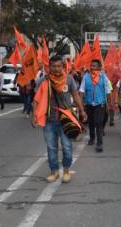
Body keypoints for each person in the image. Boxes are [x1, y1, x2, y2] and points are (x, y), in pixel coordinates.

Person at [33, 55, 87, 183]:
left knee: (67, 147)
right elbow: (36, 99)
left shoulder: (69, 79)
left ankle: (67, 170)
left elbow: (75, 95)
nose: (56, 69)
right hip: (49, 121)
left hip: (65, 120)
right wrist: (34, 115)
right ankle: (54, 172)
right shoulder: (43, 81)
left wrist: (82, 110)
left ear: (63, 67)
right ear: (49, 67)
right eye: (53, 66)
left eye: (59, 66)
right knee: (51, 148)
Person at [79, 59, 111, 152]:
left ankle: (99, 144)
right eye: (91, 65)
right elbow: (81, 91)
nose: (92, 67)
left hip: (100, 104)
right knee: (91, 123)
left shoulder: (104, 77)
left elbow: (108, 92)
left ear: (99, 67)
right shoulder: (86, 77)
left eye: (94, 66)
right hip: (89, 104)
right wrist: (81, 105)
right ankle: (92, 138)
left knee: (99, 123)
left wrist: (108, 105)